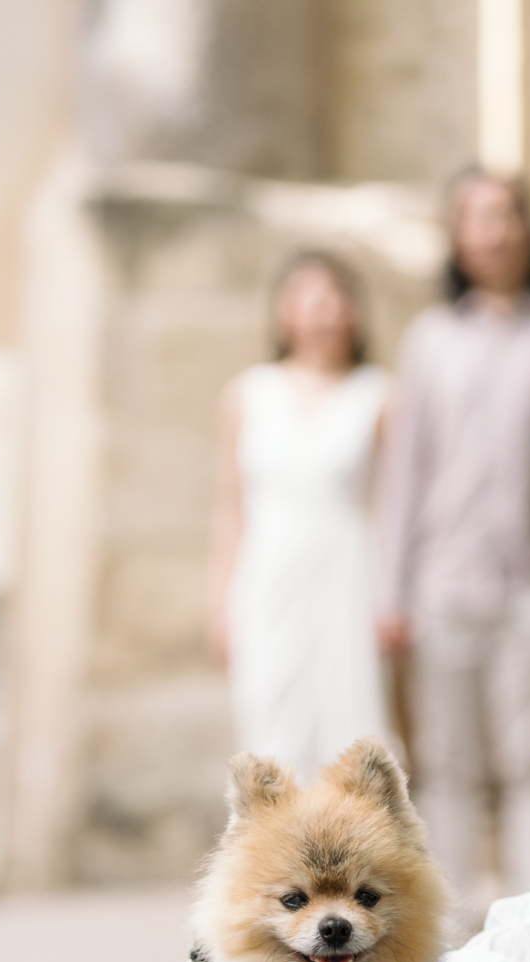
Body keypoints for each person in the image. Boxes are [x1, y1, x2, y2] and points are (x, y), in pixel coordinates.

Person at [376, 169, 530, 900]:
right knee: (448, 765)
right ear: (456, 235)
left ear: (526, 226)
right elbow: (405, 470)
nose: (491, 231)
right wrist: (394, 589)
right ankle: (446, 927)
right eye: (474, 217)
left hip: (528, 588)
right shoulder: (432, 340)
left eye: (503, 214)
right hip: (442, 586)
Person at [210, 251, 392, 783]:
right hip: (267, 573)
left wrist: (393, 595)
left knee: (351, 730)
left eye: (335, 300)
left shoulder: (379, 395)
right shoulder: (248, 394)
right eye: (308, 301)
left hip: (348, 574)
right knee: (269, 731)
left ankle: (350, 861)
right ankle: (274, 865)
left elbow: (394, 506)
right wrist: (220, 601)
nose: (322, 315)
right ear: (283, 313)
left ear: (354, 313)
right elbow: (231, 507)